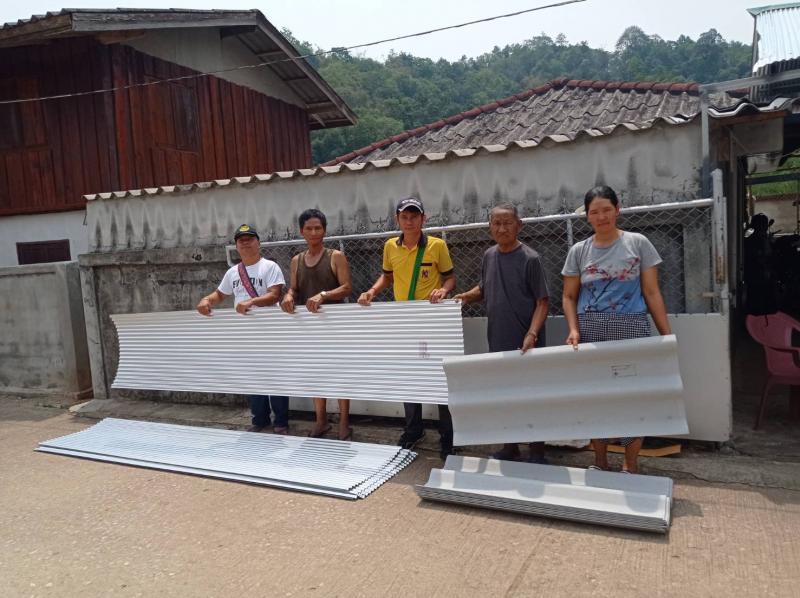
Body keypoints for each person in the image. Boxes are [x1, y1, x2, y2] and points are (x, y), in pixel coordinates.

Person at [562, 186, 671, 473]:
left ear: (617, 210)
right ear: (587, 216)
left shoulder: (638, 243)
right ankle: (600, 462)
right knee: (596, 398)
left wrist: (666, 335)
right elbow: (569, 296)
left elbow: (652, 292)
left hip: (631, 330)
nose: (601, 217)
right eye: (594, 212)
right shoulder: (578, 251)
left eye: (606, 210)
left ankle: (629, 465)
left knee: (632, 400)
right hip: (591, 334)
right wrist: (574, 329)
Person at [357, 197, 457, 459]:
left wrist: (443, 290)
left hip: (431, 321)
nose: (409, 221)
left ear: (424, 218)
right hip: (404, 322)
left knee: (441, 376)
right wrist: (372, 291)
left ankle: (448, 436)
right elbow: (387, 276)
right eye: (405, 217)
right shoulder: (390, 246)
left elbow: (450, 278)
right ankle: (413, 430)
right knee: (409, 375)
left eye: (414, 216)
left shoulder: (437, 245)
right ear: (397, 219)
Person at [454, 203, 550, 463]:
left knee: (533, 396)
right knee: (504, 394)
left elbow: (543, 301)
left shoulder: (531, 259)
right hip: (498, 337)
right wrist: (466, 297)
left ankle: (537, 450)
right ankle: (510, 446)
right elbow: (484, 288)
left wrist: (532, 334)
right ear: (490, 227)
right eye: (496, 223)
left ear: (519, 225)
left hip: (527, 342)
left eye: (507, 223)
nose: (502, 228)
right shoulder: (489, 256)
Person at [196, 224, 291, 434]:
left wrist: (251, 302)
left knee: (275, 375)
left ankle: (281, 422)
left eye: (250, 239)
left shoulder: (269, 267)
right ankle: (260, 420)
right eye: (241, 240)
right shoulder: (233, 272)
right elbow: (219, 294)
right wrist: (206, 300)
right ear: (237, 246)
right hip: (245, 334)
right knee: (253, 375)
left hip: (270, 333)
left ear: (258, 243)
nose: (246, 243)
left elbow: (274, 295)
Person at [280, 209, 354, 440]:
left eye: (318, 228)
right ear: (301, 231)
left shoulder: (335, 256)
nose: (314, 232)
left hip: (334, 326)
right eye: (309, 228)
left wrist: (323, 295)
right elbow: (294, 288)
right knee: (316, 373)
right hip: (309, 328)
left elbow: (347, 287)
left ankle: (344, 422)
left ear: (325, 230)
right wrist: (288, 296)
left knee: (340, 373)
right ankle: (321, 421)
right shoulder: (296, 260)